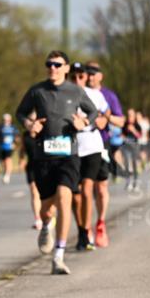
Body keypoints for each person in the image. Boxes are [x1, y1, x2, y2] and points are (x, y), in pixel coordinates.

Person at [15, 51, 98, 275]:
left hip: (68, 154)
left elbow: (93, 112)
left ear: (66, 68)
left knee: (65, 195)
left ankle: (59, 255)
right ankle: (45, 226)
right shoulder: (37, 90)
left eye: (57, 65)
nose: (52, 68)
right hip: (44, 156)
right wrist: (29, 125)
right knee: (46, 209)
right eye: (49, 64)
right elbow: (20, 113)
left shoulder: (75, 91)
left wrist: (83, 122)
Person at [69, 62, 109, 251]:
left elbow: (105, 113)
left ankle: (87, 231)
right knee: (74, 197)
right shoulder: (64, 95)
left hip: (92, 145)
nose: (78, 80)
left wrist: (101, 120)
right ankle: (82, 231)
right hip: (72, 147)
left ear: (86, 78)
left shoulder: (94, 95)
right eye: (74, 77)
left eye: (81, 76)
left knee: (87, 190)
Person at [85, 61, 124, 248]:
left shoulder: (108, 95)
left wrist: (106, 116)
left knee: (100, 188)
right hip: (81, 145)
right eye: (87, 73)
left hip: (101, 143)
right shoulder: (79, 93)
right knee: (85, 189)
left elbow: (121, 121)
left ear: (101, 76)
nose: (90, 76)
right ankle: (85, 227)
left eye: (94, 73)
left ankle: (100, 223)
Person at [121, 108, 143, 191]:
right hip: (126, 147)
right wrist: (123, 137)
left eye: (131, 115)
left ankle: (136, 182)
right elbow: (122, 134)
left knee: (134, 164)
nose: (130, 117)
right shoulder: (125, 124)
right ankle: (128, 182)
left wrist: (133, 130)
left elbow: (140, 136)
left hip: (135, 146)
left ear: (134, 116)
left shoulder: (137, 125)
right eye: (129, 115)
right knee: (127, 163)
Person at [0, 113, 18, 183]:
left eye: (8, 120)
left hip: (9, 147)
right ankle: (5, 172)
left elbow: (17, 137)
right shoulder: (0, 128)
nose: (6, 121)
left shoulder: (13, 128)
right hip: (2, 147)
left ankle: (7, 175)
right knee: (4, 161)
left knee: (8, 160)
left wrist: (15, 143)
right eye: (5, 120)